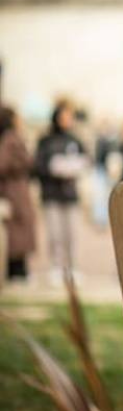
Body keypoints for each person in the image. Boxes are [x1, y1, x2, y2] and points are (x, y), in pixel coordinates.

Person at [35, 99, 87, 284]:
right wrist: (53, 168)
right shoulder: (46, 140)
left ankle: (72, 268)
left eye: (70, 117)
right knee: (55, 233)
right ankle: (56, 268)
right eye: (64, 116)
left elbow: (85, 159)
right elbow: (38, 165)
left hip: (70, 194)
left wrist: (74, 167)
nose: (67, 120)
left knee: (71, 234)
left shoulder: (75, 140)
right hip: (51, 193)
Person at [0, 105, 36, 282]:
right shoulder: (10, 138)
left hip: (17, 188)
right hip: (13, 190)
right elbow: (4, 164)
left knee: (20, 229)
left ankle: (19, 269)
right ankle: (16, 270)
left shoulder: (11, 137)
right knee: (16, 230)